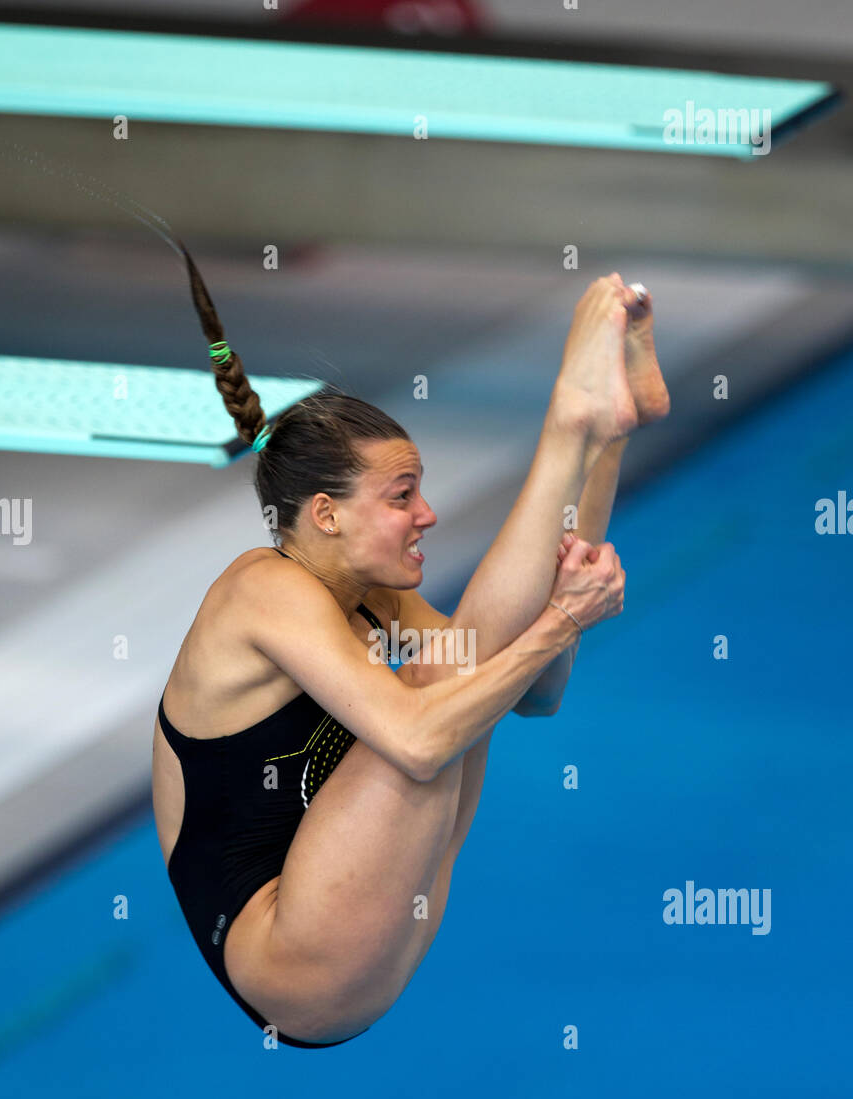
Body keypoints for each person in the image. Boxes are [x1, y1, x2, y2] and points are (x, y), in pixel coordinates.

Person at [152, 255, 669, 1046]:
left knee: (464, 667)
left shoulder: (369, 589)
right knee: (442, 691)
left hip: (370, 917)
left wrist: (567, 596)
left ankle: (600, 438)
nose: (427, 513)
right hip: (297, 964)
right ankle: (571, 424)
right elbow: (421, 740)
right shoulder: (263, 589)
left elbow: (534, 694)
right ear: (324, 515)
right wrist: (561, 624)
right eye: (401, 496)